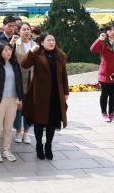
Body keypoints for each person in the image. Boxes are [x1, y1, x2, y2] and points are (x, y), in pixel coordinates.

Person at [21, 32, 69, 160]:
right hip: (40, 94)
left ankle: (48, 146)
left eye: (53, 40)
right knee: (39, 121)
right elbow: (24, 64)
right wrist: (31, 51)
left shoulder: (60, 55)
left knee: (52, 122)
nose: (52, 42)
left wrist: (65, 92)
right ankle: (39, 146)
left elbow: (64, 75)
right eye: (48, 40)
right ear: (42, 42)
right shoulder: (37, 54)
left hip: (55, 93)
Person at [90, 22, 114, 123]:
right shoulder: (103, 43)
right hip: (105, 73)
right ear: (106, 32)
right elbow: (92, 49)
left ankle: (111, 114)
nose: (112, 32)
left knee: (113, 95)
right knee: (105, 94)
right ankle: (104, 113)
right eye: (110, 30)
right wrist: (100, 39)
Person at [13, 22, 35, 143]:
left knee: (29, 108)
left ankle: (26, 132)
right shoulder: (15, 45)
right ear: (19, 31)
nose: (27, 31)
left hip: (32, 80)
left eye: (28, 29)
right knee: (18, 108)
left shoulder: (35, 45)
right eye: (24, 29)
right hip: (19, 80)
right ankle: (18, 131)